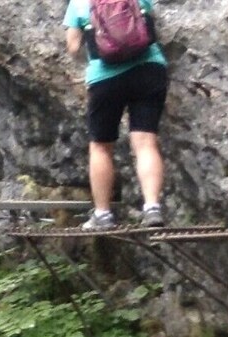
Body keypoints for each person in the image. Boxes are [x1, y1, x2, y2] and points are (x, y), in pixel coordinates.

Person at [64, 0, 170, 229]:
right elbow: (147, 20)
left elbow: (73, 47)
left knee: (101, 146)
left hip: (105, 77)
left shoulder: (78, 3)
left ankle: (103, 214)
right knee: (145, 142)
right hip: (150, 69)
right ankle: (152, 208)